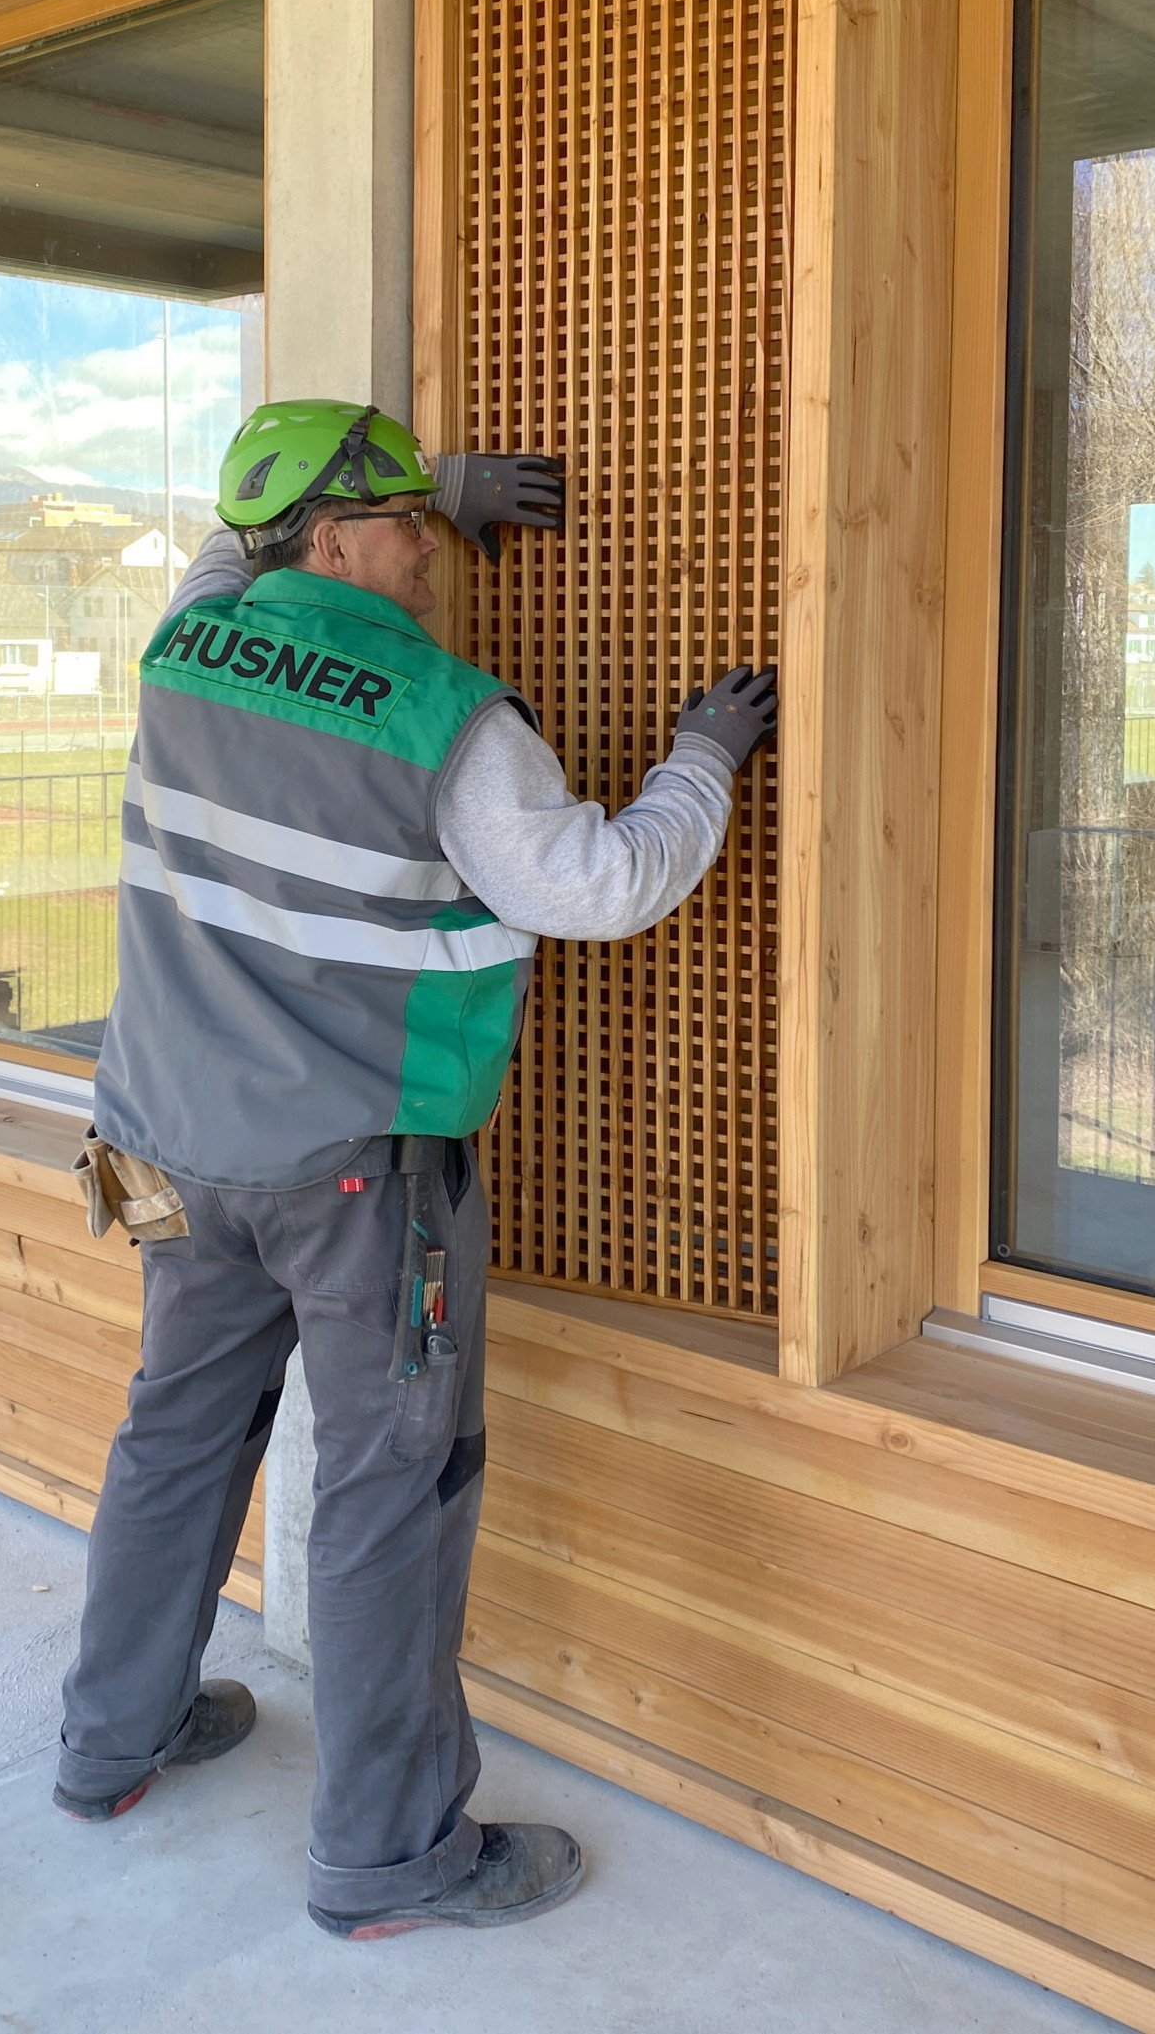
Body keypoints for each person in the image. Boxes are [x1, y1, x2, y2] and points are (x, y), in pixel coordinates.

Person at [55, 400, 777, 1939]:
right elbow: (603, 881)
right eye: (407, 523)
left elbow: (216, 544)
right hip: (354, 1179)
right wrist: (702, 758)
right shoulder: (445, 716)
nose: (435, 551)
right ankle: (388, 1854)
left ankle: (111, 1738)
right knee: (395, 1486)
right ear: (335, 541)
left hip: (167, 1144)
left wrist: (425, 475)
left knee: (177, 1436)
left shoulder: (186, 641)